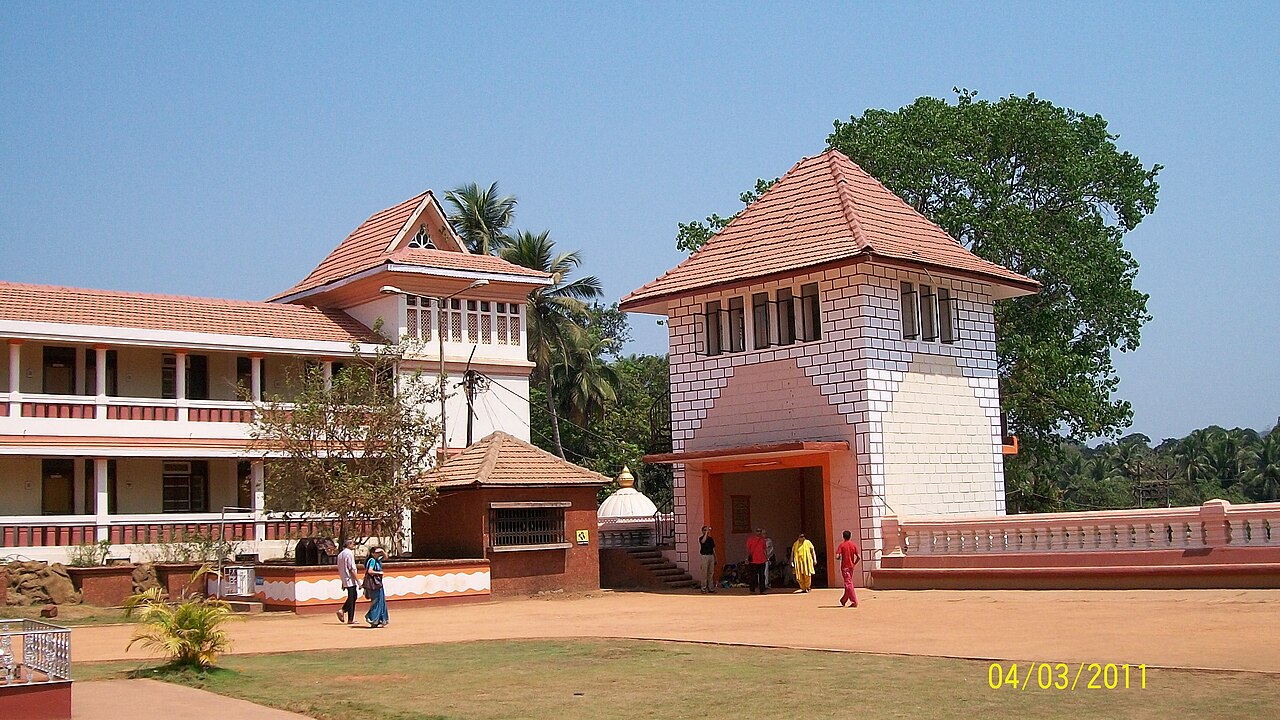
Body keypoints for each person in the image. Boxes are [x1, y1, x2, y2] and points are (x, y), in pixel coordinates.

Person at [363, 546, 388, 627]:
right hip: (374, 584)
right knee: (376, 602)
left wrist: (382, 551)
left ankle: (379, 620)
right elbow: (370, 571)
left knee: (380, 601)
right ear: (372, 553)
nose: (378, 554)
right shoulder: (372, 560)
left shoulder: (377, 560)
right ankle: (373, 619)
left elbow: (386, 557)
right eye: (376, 553)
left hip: (378, 584)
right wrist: (379, 573)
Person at [335, 539, 359, 624]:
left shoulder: (340, 554)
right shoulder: (348, 554)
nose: (353, 545)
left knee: (353, 596)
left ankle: (343, 610)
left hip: (345, 578)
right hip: (350, 579)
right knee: (352, 598)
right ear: (348, 544)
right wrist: (358, 581)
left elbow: (342, 568)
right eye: (352, 544)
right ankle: (350, 618)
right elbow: (351, 568)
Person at [835, 530, 860, 608]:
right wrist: (854, 564)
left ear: (843, 536)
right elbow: (858, 557)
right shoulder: (853, 545)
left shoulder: (842, 545)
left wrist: (839, 557)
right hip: (851, 567)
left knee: (848, 584)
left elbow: (837, 556)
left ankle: (854, 601)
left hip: (845, 567)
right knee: (848, 583)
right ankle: (843, 600)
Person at [745, 528, 768, 594]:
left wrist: (767, 558)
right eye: (757, 531)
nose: (759, 532)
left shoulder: (763, 540)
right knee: (753, 576)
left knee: (762, 576)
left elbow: (764, 550)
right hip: (753, 561)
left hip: (762, 560)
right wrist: (746, 558)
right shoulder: (750, 539)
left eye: (760, 531)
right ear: (755, 532)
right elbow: (748, 550)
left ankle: (762, 590)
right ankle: (752, 590)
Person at [698, 526, 717, 593]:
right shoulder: (701, 538)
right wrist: (706, 533)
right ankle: (703, 588)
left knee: (711, 573)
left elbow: (713, 549)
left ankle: (711, 588)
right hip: (704, 556)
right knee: (704, 573)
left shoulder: (711, 539)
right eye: (704, 530)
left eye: (707, 530)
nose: (706, 531)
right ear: (702, 531)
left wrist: (715, 558)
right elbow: (703, 541)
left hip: (711, 556)